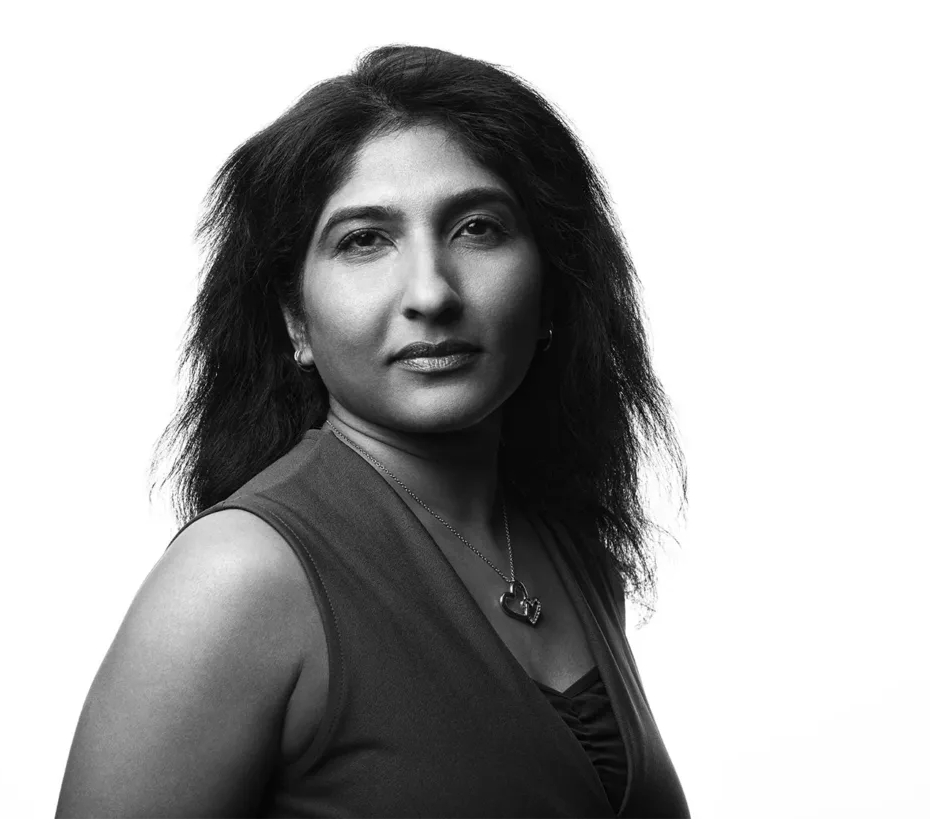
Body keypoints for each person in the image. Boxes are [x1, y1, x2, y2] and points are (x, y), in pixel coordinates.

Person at [56, 44, 690, 818]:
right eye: (364, 239)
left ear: (553, 285)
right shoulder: (237, 579)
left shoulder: (569, 548)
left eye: (478, 228)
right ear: (295, 318)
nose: (431, 292)